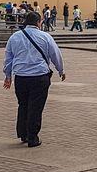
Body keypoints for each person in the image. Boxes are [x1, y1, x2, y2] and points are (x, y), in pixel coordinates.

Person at [4, 11, 65, 147]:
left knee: (23, 105)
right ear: (39, 22)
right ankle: (32, 137)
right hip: (39, 76)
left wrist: (8, 76)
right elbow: (55, 54)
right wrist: (60, 70)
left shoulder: (15, 37)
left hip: (20, 77)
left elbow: (8, 58)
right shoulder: (45, 36)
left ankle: (23, 134)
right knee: (35, 107)